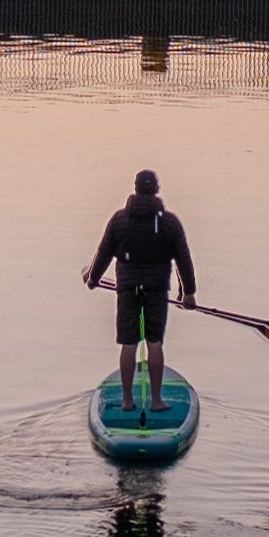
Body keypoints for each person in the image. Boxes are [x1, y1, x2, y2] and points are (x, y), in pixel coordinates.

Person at [79, 169, 195, 405]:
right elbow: (183, 259)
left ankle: (128, 401)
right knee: (154, 342)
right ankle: (156, 401)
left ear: (135, 188)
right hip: (156, 289)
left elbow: (104, 253)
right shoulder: (170, 222)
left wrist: (93, 279)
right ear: (157, 190)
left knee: (128, 342)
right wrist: (188, 293)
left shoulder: (119, 219)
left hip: (127, 289)